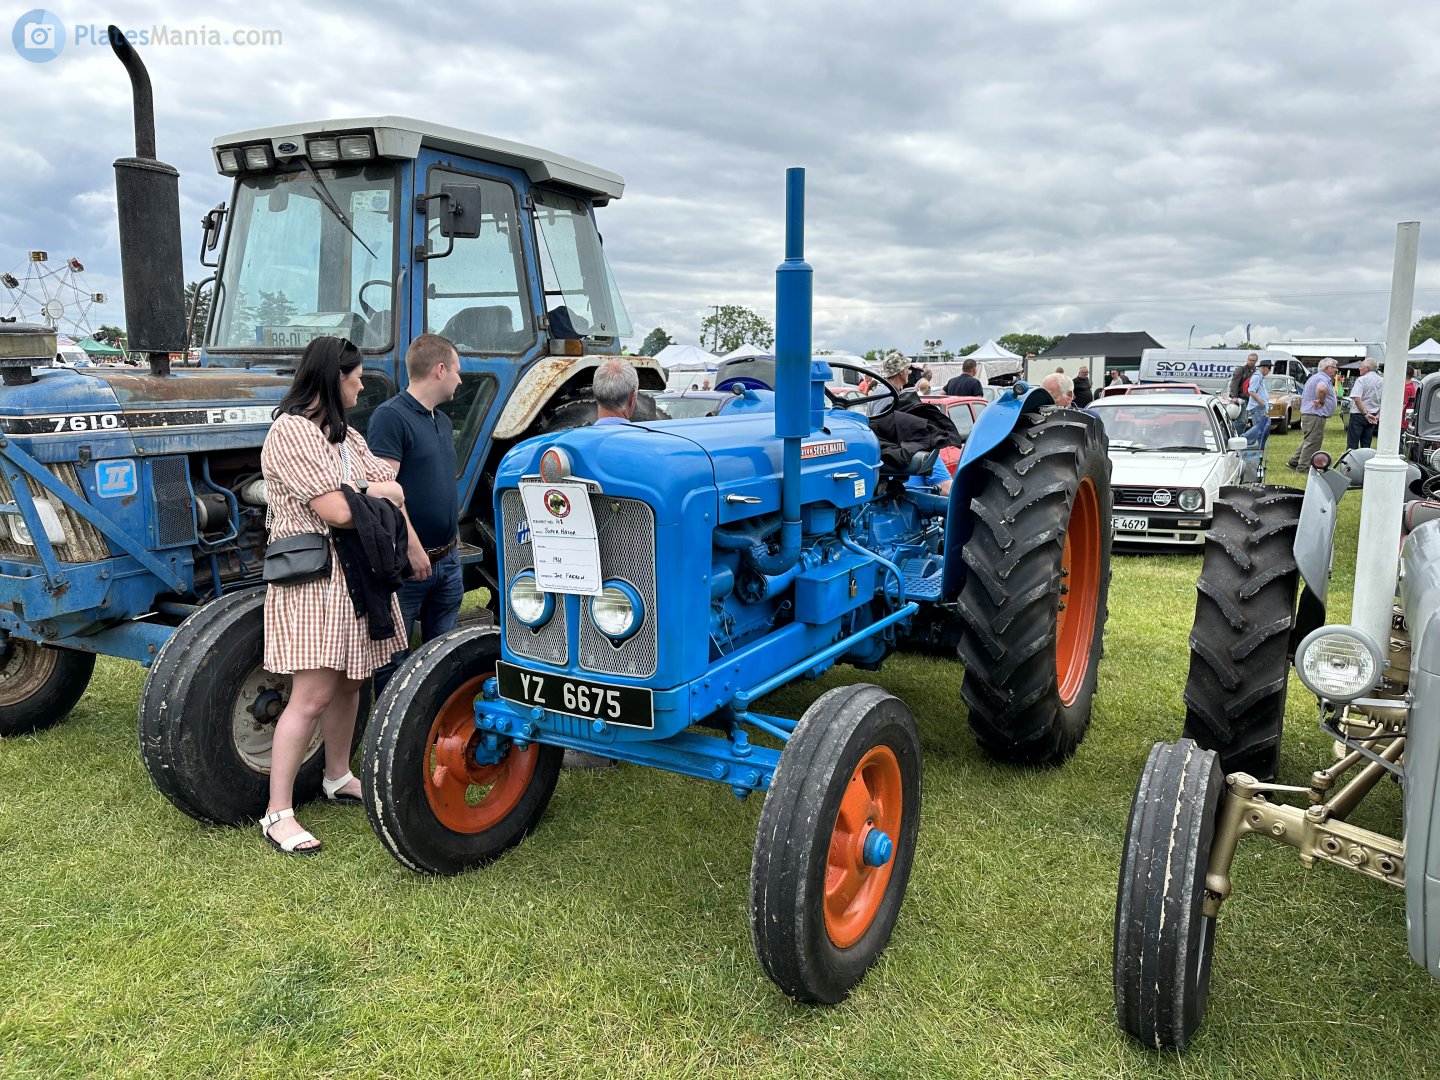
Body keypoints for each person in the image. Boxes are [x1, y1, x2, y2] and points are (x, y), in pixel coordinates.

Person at [258, 336, 412, 855]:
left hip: (354, 577)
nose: (362, 384)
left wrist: (373, 493)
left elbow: (388, 481)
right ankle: (277, 813)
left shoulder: (342, 437)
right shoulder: (291, 432)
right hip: (317, 579)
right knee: (311, 696)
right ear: (333, 376)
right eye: (357, 375)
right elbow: (338, 512)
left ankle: (337, 774)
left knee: (351, 685)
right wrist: (374, 494)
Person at [367, 334, 465, 696]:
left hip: (447, 560)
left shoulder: (438, 419)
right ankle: (389, 732)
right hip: (409, 566)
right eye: (456, 370)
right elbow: (383, 494)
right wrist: (411, 547)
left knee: (445, 655)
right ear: (439, 370)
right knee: (393, 660)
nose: (460, 378)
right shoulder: (391, 418)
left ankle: (434, 723)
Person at [562, 358, 639, 771]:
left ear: (595, 398)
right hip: (628, 567)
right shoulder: (644, 451)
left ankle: (585, 734)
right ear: (633, 398)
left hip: (571, 563)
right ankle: (604, 739)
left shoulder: (567, 444)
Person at [1288, 358, 1339, 471]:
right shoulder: (1322, 378)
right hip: (1315, 414)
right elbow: (1321, 389)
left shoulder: (1315, 377)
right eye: (1335, 367)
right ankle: (1303, 468)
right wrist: (1321, 401)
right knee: (1313, 442)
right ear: (1327, 368)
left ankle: (1294, 461)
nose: (1336, 370)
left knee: (1309, 440)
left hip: (1310, 414)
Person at [1347, 360, 1383, 450]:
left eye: (1361, 366)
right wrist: (1378, 415)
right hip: (1374, 415)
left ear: (1367, 368)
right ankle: (1364, 461)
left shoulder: (1361, 380)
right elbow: (1385, 400)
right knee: (1366, 444)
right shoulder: (1382, 381)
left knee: (1352, 444)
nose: (1359, 368)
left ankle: (1351, 463)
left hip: (1359, 414)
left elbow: (1357, 398)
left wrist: (1365, 414)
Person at [1245, 358, 1273, 449]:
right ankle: (1244, 438)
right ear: (1265, 368)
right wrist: (1260, 402)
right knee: (1260, 426)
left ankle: (1250, 443)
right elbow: (1251, 391)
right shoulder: (1257, 377)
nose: (1269, 371)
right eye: (1269, 369)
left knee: (1260, 427)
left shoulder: (1260, 377)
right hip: (1257, 407)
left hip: (1259, 407)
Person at [1229, 353, 1258, 434]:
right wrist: (1234, 396)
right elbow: (1234, 383)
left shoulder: (1255, 371)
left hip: (1250, 399)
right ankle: (1232, 435)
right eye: (1250, 360)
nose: (1251, 362)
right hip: (1240, 398)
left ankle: (1238, 436)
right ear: (1247, 359)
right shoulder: (1241, 370)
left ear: (1256, 361)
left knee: (1245, 421)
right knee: (1241, 420)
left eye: (1253, 360)